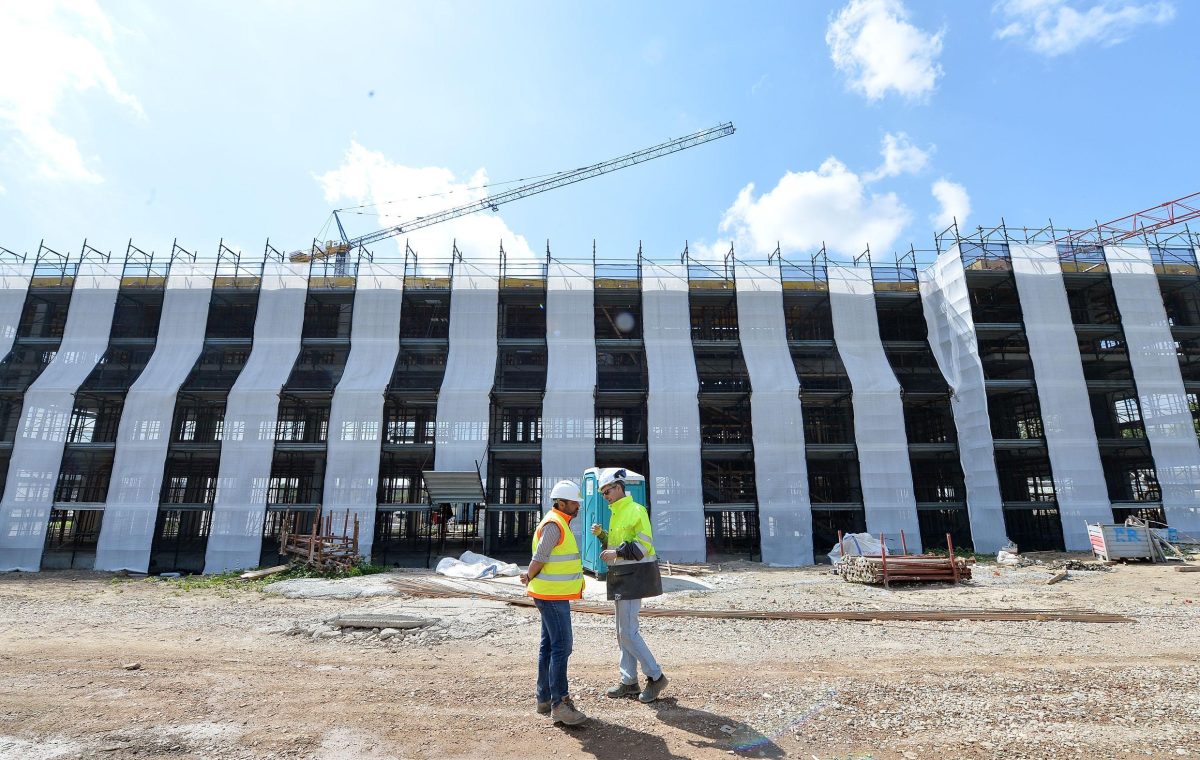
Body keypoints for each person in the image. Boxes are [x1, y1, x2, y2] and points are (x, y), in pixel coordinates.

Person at [590, 467, 668, 703]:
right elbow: (619, 545)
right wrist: (603, 537)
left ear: (620, 487)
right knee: (621, 632)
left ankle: (656, 677)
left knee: (628, 632)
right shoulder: (616, 514)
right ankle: (629, 681)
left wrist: (616, 553)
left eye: (608, 491)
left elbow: (643, 546)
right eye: (603, 493)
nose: (606, 497)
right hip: (621, 576)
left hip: (635, 576)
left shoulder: (636, 510)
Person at [520, 479, 588, 726]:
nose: (577, 506)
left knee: (548, 646)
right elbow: (540, 557)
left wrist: (530, 576)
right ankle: (559, 704)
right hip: (551, 596)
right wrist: (528, 575)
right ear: (561, 502)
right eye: (573, 503)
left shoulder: (559, 522)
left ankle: (544, 698)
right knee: (562, 647)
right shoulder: (554, 524)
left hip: (551, 594)